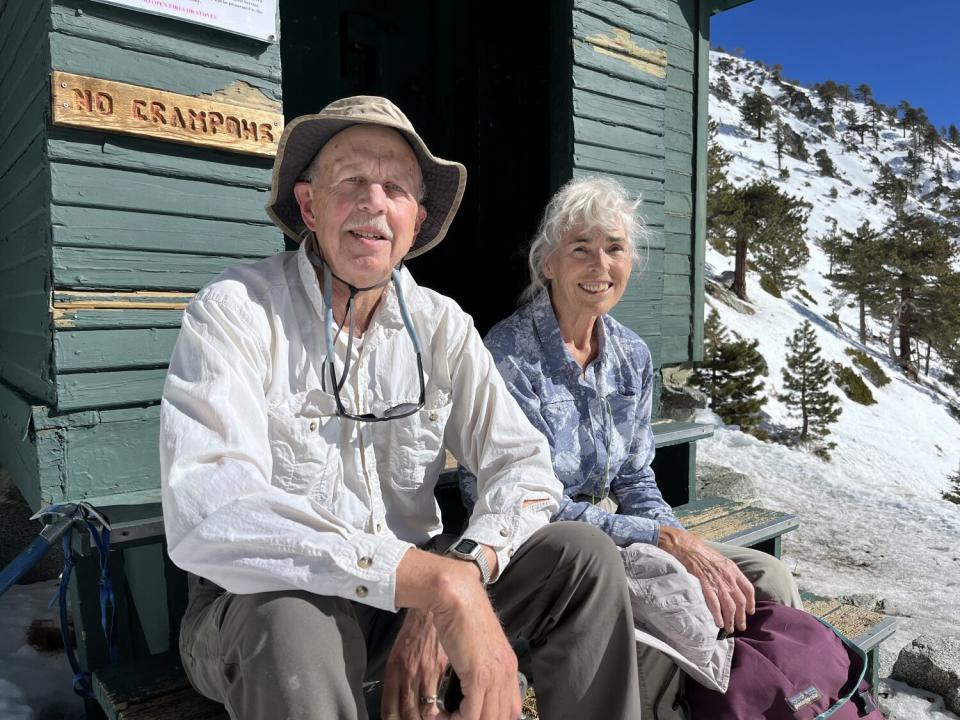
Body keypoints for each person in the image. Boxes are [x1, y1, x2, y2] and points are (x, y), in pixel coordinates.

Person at [159, 97, 642, 720]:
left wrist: (460, 570)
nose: (373, 203)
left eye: (395, 188)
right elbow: (213, 508)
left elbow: (524, 468)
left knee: (583, 559)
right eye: (352, 181)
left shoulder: (441, 324)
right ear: (308, 205)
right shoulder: (235, 310)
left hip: (410, 596)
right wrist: (424, 581)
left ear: (416, 220)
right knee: (290, 617)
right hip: (259, 608)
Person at [461, 175, 803, 717]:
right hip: (541, 547)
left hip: (618, 534)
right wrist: (660, 540)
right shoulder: (506, 358)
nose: (601, 266)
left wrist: (686, 548)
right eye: (581, 249)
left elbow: (636, 475)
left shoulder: (630, 354)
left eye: (615, 249)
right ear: (547, 263)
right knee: (655, 622)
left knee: (765, 580)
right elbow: (518, 498)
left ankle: (770, 703)